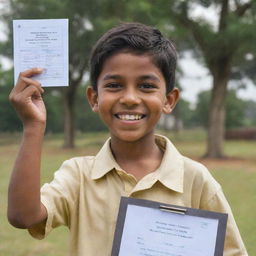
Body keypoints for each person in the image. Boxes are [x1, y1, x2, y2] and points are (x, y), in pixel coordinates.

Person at [8, 22, 247, 256]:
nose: (130, 98)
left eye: (146, 86)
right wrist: (33, 126)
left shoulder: (195, 180)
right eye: (114, 85)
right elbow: (23, 216)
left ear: (169, 100)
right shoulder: (78, 175)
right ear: (94, 98)